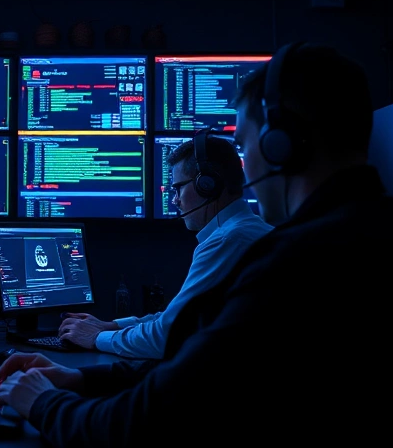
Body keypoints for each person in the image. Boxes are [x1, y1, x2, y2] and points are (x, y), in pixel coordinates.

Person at [0, 42, 393, 448]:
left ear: (281, 144)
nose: (245, 169)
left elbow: (148, 430)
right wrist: (80, 378)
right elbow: (204, 366)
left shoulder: (297, 266)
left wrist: (44, 402)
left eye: (247, 147)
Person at [58, 133, 272, 358]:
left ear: (207, 185)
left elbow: (166, 336)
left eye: (178, 188)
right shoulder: (245, 231)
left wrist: (94, 338)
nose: (174, 200)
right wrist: (111, 326)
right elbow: (177, 318)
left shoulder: (228, 241)